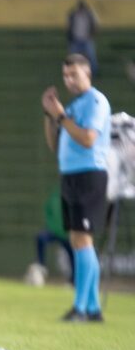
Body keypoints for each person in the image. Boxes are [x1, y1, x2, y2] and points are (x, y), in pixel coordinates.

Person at [41, 53, 111, 322]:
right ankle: (93, 308)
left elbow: (88, 139)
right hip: (70, 177)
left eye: (74, 75)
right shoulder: (72, 107)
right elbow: (55, 144)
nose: (69, 80)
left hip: (89, 175)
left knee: (82, 239)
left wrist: (61, 116)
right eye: (66, 76)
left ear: (87, 73)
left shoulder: (95, 101)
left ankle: (80, 308)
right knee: (78, 240)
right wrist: (51, 116)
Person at [24, 187, 74, 287]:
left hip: (66, 234)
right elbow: (48, 211)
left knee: (74, 255)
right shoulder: (55, 195)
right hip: (54, 231)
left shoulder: (73, 196)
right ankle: (41, 265)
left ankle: (73, 280)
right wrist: (53, 226)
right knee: (40, 238)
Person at [67, 0, 99, 76]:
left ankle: (94, 72)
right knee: (73, 57)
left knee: (91, 57)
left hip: (86, 39)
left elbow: (94, 25)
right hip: (76, 39)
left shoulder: (89, 15)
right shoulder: (73, 15)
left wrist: (91, 34)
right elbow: (69, 27)